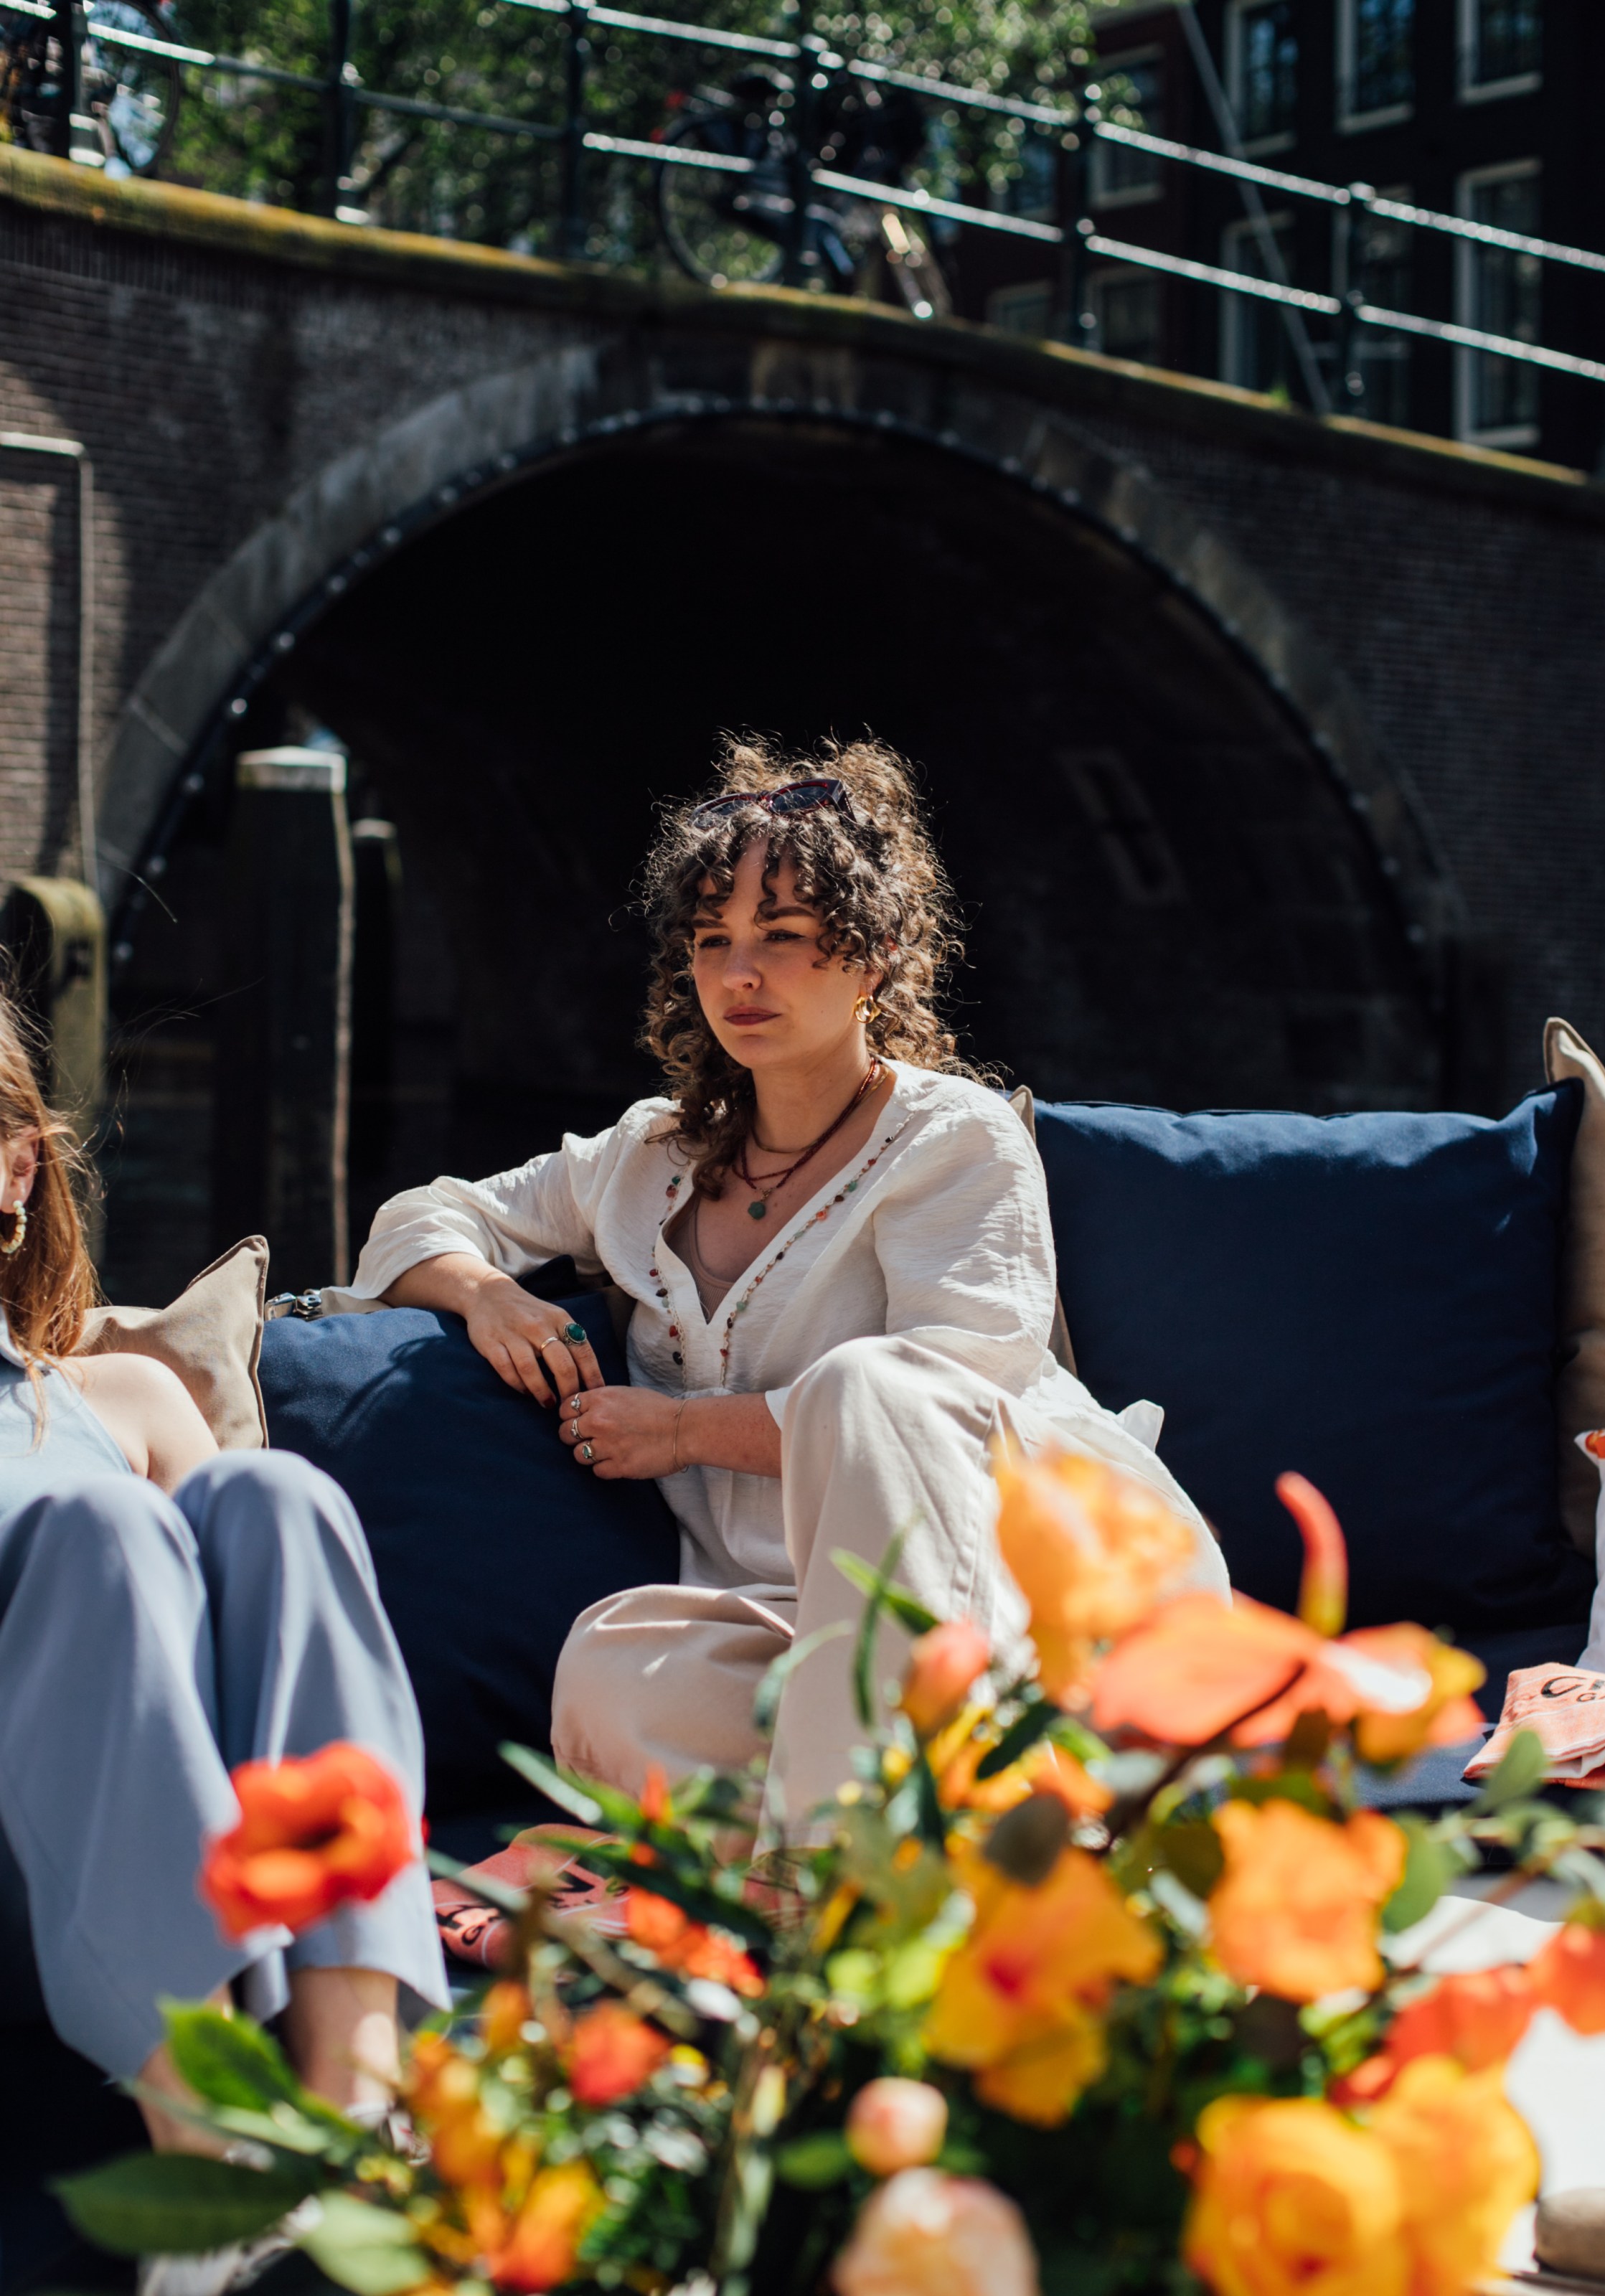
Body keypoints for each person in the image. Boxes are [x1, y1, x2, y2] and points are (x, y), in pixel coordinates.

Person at [339, 740, 1228, 1830]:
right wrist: (486, 1293)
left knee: (871, 1389)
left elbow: (948, 1409)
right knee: (607, 1670)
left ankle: (847, 1887)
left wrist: (682, 1433)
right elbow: (422, 1215)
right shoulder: (652, 1156)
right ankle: (964, 1815)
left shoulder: (955, 1140)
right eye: (713, 941)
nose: (738, 976)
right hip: (797, 1619)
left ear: (875, 954)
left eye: (783, 938)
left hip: (1021, 1595)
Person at [0, 999, 446, 2183]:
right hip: (26, 1856)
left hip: (201, 1838)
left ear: (16, 1172)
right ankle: (214, 2165)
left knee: (275, 1506)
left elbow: (264, 1648)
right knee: (99, 1528)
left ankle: (351, 2113)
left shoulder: (125, 1400)